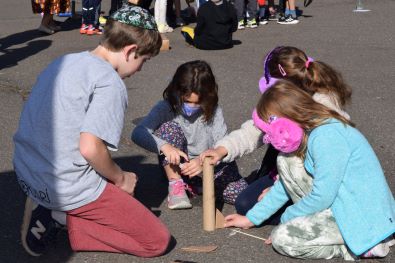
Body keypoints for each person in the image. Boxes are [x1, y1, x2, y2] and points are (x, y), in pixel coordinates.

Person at [14, 4, 170, 258]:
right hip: (64, 187)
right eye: (144, 60)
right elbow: (89, 147)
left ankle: (51, 205)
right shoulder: (109, 82)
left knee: (113, 176)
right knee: (156, 241)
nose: (140, 69)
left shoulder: (64, 61)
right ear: (130, 51)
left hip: (28, 170)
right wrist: (121, 179)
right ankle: (61, 217)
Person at [224, 80, 395, 260]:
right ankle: (355, 239)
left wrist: (287, 218)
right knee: (285, 160)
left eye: (271, 131)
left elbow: (323, 196)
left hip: (363, 217)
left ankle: (361, 245)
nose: (270, 137)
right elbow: (285, 184)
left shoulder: (326, 137)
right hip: (344, 205)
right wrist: (251, 219)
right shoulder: (311, 133)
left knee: (282, 239)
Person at [200, 46, 351, 219]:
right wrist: (222, 150)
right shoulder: (287, 97)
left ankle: (305, 217)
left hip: (318, 174)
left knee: (264, 206)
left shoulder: (325, 114)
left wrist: (282, 186)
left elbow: (323, 167)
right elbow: (255, 129)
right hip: (291, 164)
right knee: (245, 203)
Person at [131, 60, 242, 209]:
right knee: (169, 128)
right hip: (179, 166)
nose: (192, 107)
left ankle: (195, 185)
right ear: (177, 91)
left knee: (240, 195)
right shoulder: (166, 107)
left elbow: (222, 144)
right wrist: (164, 147)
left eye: (198, 102)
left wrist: (204, 162)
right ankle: (176, 184)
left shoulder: (213, 109)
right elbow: (138, 132)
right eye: (187, 101)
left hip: (209, 164)